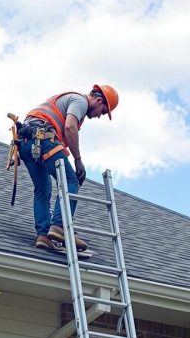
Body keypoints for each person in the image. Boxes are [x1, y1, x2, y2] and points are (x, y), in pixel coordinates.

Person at [19, 84, 119, 251]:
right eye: (102, 111)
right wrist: (78, 160)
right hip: (43, 138)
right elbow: (70, 126)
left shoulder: (68, 100)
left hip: (25, 143)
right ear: (99, 100)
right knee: (71, 181)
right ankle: (59, 226)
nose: (99, 116)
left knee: (43, 189)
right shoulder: (80, 101)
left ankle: (43, 235)